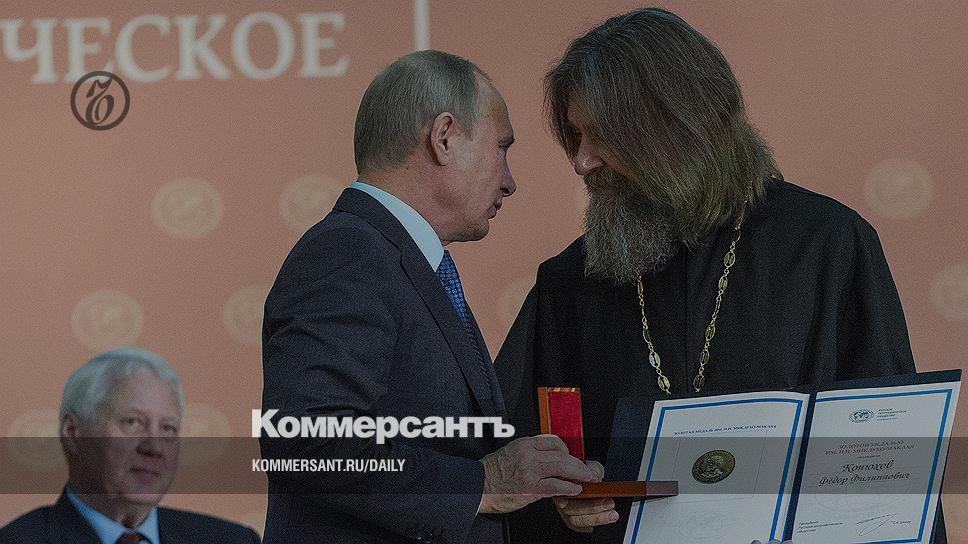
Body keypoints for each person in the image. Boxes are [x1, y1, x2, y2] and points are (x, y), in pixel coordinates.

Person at [494, 7, 945, 543]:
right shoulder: (570, 283)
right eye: (576, 137)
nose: (582, 162)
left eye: (601, 136)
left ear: (676, 126)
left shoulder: (828, 246)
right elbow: (515, 469)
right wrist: (564, 502)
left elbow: (889, 463)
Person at [260, 50, 595, 544]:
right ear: (444, 138)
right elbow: (308, 441)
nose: (510, 181)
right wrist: (485, 482)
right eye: (501, 148)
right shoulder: (348, 252)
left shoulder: (398, 258)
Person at [0, 348, 261, 544]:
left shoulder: (233, 540)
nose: (154, 447)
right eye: (132, 422)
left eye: (168, 428)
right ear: (73, 433)